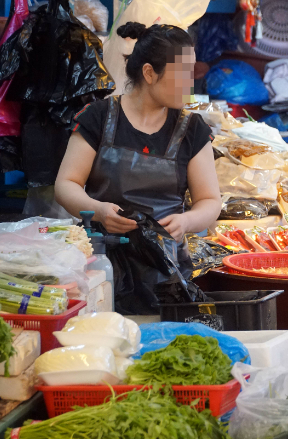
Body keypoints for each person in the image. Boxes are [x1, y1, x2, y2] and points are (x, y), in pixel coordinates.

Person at [55, 22, 221, 314]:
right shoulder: (98, 117)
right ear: (149, 73)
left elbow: (210, 201)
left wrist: (187, 222)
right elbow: (66, 184)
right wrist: (99, 211)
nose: (190, 85)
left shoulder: (192, 129)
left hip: (167, 275)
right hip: (102, 266)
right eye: (182, 74)